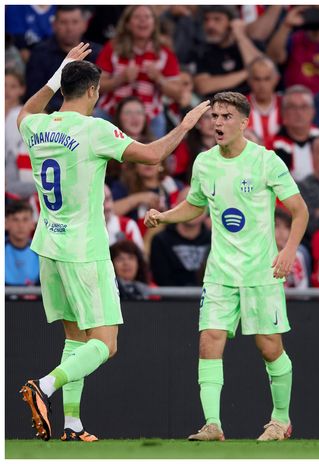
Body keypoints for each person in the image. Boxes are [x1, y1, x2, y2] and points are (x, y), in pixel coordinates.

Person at [16, 42, 210, 442]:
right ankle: (44, 387)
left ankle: (72, 426)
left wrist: (59, 71)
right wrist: (187, 125)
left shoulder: (36, 127)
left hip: (47, 247)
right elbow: (154, 155)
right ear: (92, 92)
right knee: (106, 343)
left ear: (64, 88)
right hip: (84, 250)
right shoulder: (95, 130)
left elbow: (24, 111)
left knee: (76, 340)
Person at [144, 91, 309, 441]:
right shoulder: (204, 162)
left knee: (269, 348)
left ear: (245, 122)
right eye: (214, 116)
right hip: (220, 272)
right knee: (210, 341)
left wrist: (288, 251)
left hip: (260, 272)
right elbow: (195, 205)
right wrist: (165, 217)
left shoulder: (266, 161)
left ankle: (281, 420)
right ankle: (213, 424)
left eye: (226, 117)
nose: (218, 122)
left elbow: (299, 211)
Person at [95, 5, 183, 138]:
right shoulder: (113, 47)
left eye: (147, 17)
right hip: (112, 112)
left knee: (157, 145)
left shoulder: (164, 52)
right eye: (137, 17)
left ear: (154, 23)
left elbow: (178, 92)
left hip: (150, 115)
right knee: (96, 118)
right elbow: (96, 85)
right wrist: (120, 79)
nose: (143, 21)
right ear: (128, 23)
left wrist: (159, 79)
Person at [25, 5, 102, 113]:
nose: (69, 28)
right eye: (63, 22)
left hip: (89, 112)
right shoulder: (40, 52)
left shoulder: (96, 52)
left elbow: (101, 89)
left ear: (84, 25)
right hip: (49, 112)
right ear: (54, 25)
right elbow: (34, 90)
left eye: (74, 22)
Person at [194, 6, 264, 98]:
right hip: (217, 106)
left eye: (217, 19)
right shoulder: (202, 51)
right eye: (206, 20)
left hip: (249, 104)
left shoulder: (250, 44)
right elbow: (203, 86)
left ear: (231, 22)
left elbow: (262, 71)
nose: (210, 25)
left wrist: (240, 36)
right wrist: (247, 72)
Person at [149, 187, 211, 287]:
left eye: (199, 202)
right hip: (171, 301)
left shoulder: (214, 239)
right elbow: (161, 279)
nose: (193, 207)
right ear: (175, 207)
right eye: (186, 203)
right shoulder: (160, 240)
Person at [273, 85, 319, 181]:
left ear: (313, 111)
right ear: (283, 112)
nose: (298, 112)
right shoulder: (271, 147)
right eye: (292, 107)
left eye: (304, 107)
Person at [6, 70, 37, 200]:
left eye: (12, 86)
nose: (6, 90)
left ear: (22, 89)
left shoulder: (24, 115)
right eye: (4, 85)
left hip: (15, 167)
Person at [246, 56, 281, 151]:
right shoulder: (238, 107)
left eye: (267, 79)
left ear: (276, 79)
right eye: (257, 79)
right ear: (249, 80)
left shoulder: (287, 105)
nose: (262, 85)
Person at [5, 200, 39, 286]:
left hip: (35, 298)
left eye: (25, 219)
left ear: (33, 224)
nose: (20, 225)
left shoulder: (41, 252)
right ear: (5, 224)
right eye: (15, 220)